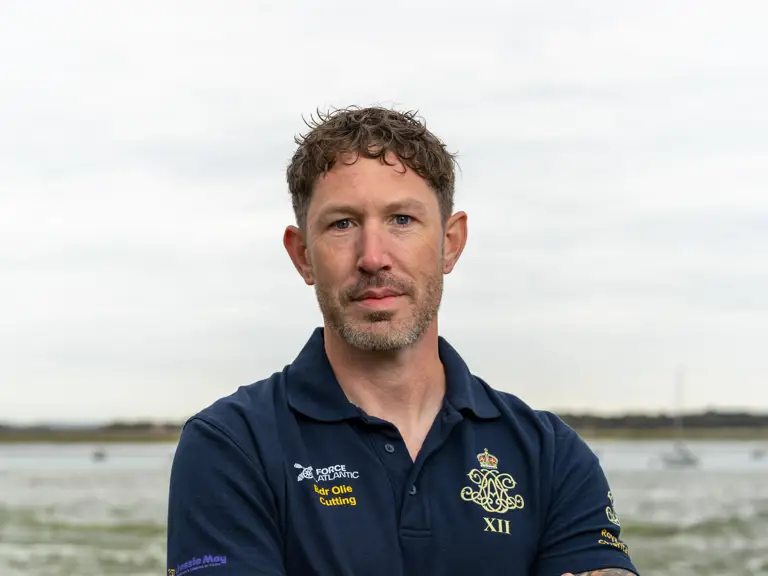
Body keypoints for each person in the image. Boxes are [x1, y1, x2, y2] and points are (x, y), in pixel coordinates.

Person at [166, 106, 639, 576]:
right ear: (302, 255)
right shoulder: (231, 446)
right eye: (342, 224)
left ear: (450, 242)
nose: (373, 258)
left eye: (402, 220)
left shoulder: (549, 454)